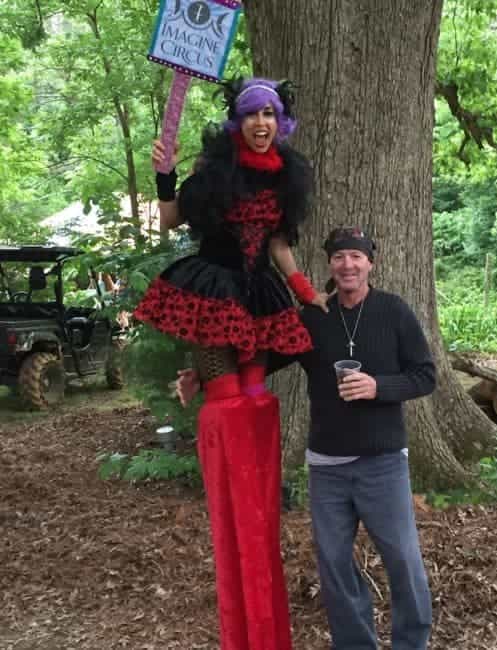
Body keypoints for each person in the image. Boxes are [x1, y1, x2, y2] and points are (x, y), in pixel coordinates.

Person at [134, 77, 328, 650]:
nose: (261, 122)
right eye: (251, 114)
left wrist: (304, 290)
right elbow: (170, 220)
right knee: (224, 404)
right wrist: (164, 172)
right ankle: (229, 515)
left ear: (281, 121)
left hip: (258, 295)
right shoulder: (215, 172)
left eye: (270, 113)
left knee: (257, 400)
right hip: (213, 292)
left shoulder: (287, 175)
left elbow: (278, 247)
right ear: (237, 122)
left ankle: (258, 509)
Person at [178, 226, 436, 649]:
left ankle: (412, 642)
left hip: (382, 463)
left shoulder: (394, 311)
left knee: (403, 560)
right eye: (339, 257)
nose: (348, 265)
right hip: (328, 468)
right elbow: (261, 361)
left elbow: (425, 375)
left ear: (370, 262)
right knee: (334, 564)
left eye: (356, 256)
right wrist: (205, 378)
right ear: (330, 264)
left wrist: (378, 387)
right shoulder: (313, 317)